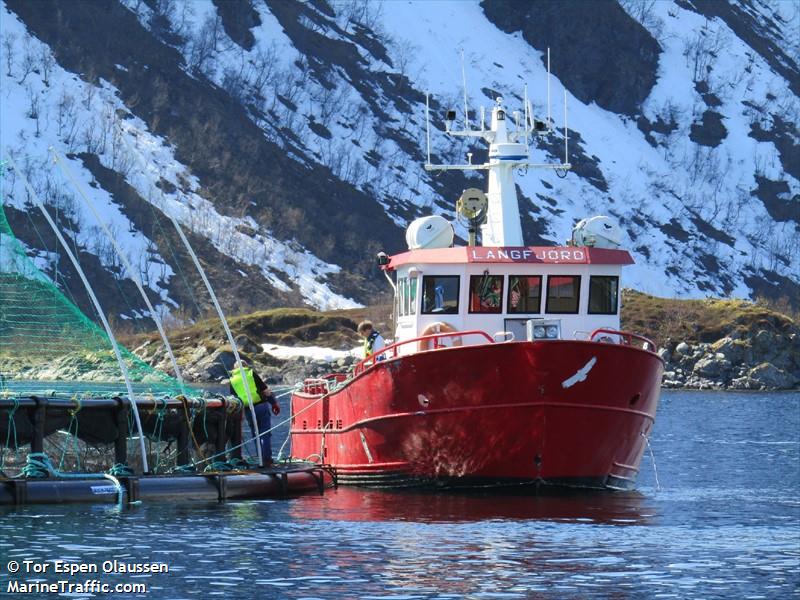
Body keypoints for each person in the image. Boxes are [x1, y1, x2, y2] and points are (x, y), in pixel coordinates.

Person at [229, 361, 280, 467]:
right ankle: (266, 459)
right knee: (264, 433)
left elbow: (234, 398)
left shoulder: (232, 380)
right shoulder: (251, 373)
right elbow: (265, 390)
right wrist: (274, 403)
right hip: (261, 406)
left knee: (255, 434)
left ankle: (259, 457)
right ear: (246, 366)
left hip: (248, 410)